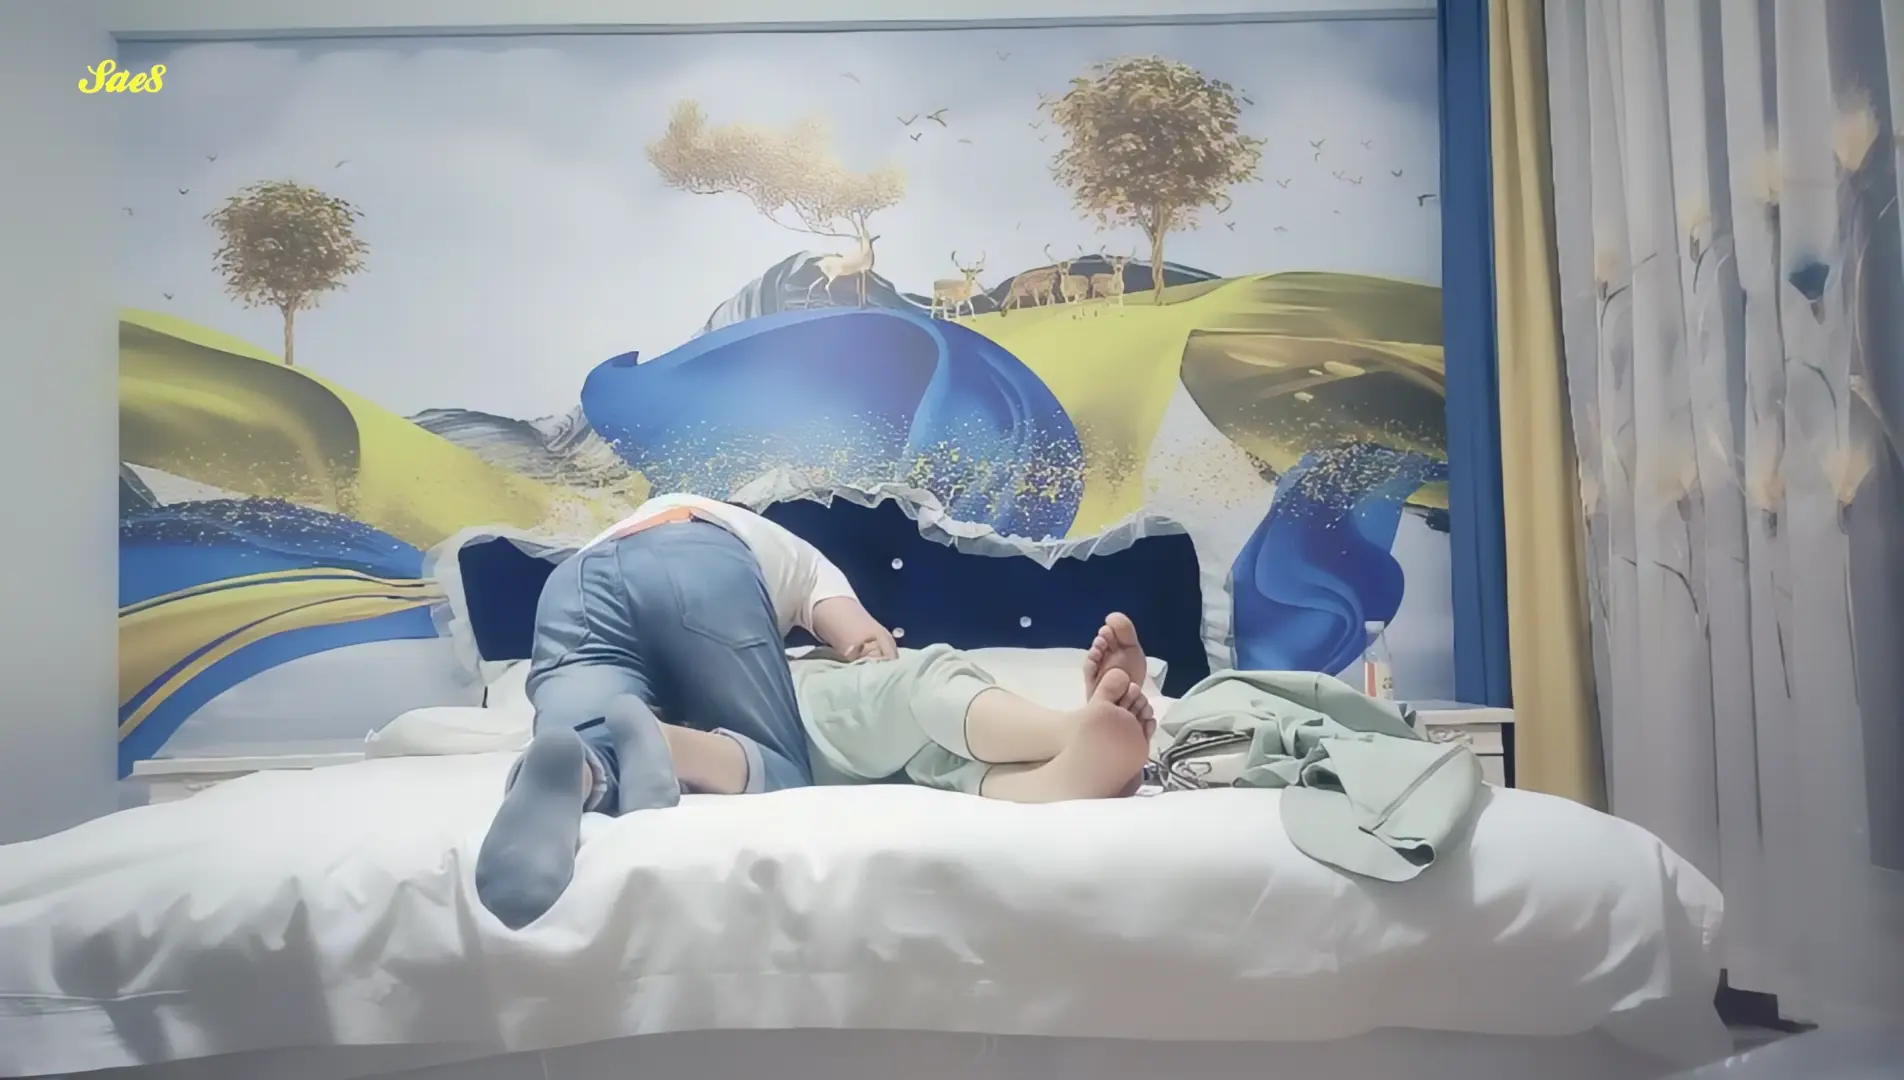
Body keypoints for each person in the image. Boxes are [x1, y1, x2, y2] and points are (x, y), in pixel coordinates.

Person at [474, 493, 896, 930]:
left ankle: (580, 766)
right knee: (783, 770)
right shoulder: (802, 557)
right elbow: (866, 644)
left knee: (594, 731)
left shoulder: (627, 528)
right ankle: (672, 745)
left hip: (573, 585)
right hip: (698, 564)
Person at [656, 612, 1160, 803]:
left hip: (788, 768)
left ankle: (1063, 780)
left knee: (947, 768)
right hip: (800, 702)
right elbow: (871, 643)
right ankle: (1067, 729)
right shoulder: (735, 555)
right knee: (924, 683)